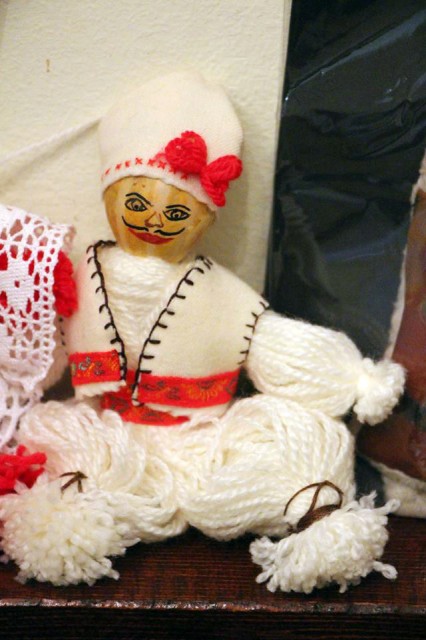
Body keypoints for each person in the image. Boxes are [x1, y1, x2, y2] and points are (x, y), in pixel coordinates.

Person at [0, 72, 404, 593]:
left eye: (175, 212)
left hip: (205, 438)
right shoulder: (76, 271)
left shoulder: (223, 296)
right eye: (137, 204)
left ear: (204, 218)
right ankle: (66, 527)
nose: (153, 221)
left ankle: (319, 524)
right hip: (108, 433)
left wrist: (350, 380)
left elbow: (274, 344)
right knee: (69, 460)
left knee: (291, 445)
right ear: (109, 197)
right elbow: (40, 340)